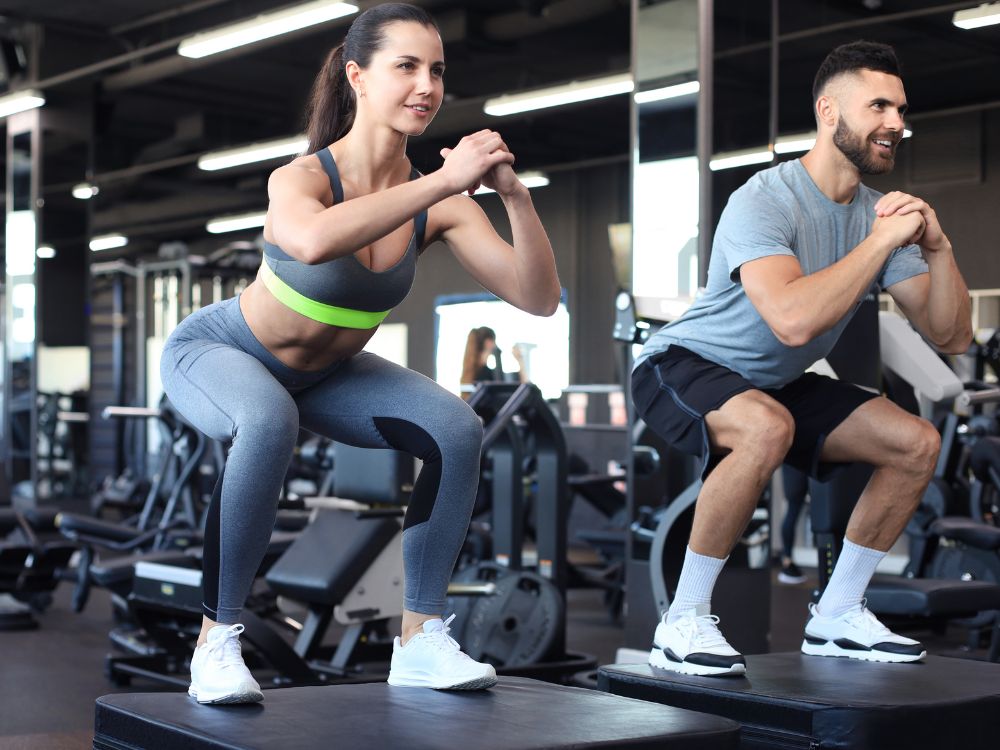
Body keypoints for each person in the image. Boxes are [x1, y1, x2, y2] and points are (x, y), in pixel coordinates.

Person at [160, 3, 560, 704]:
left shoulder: (444, 204)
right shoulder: (303, 178)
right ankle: (215, 643)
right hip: (224, 352)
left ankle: (420, 640)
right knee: (266, 420)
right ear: (357, 76)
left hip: (328, 375)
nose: (426, 85)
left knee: (457, 428)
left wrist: (515, 198)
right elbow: (312, 242)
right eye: (405, 66)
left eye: (436, 70)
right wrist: (441, 181)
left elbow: (538, 298)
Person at [631, 40, 971, 677]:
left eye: (900, 108)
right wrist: (880, 243)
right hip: (682, 364)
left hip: (776, 380)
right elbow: (791, 320)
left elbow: (950, 335)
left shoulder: (877, 215)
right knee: (766, 427)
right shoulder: (765, 198)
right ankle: (682, 621)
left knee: (916, 443)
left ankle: (838, 612)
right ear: (829, 111)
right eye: (878, 105)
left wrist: (941, 247)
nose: (896, 122)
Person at [459, 326, 527, 392]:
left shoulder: (471, 374)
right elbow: (524, 388)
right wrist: (520, 360)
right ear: (488, 343)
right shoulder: (487, 375)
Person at [777, 464, 809, 585]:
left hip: (791, 467)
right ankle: (788, 562)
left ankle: (787, 560)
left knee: (791, 513)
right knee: (793, 513)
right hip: (801, 467)